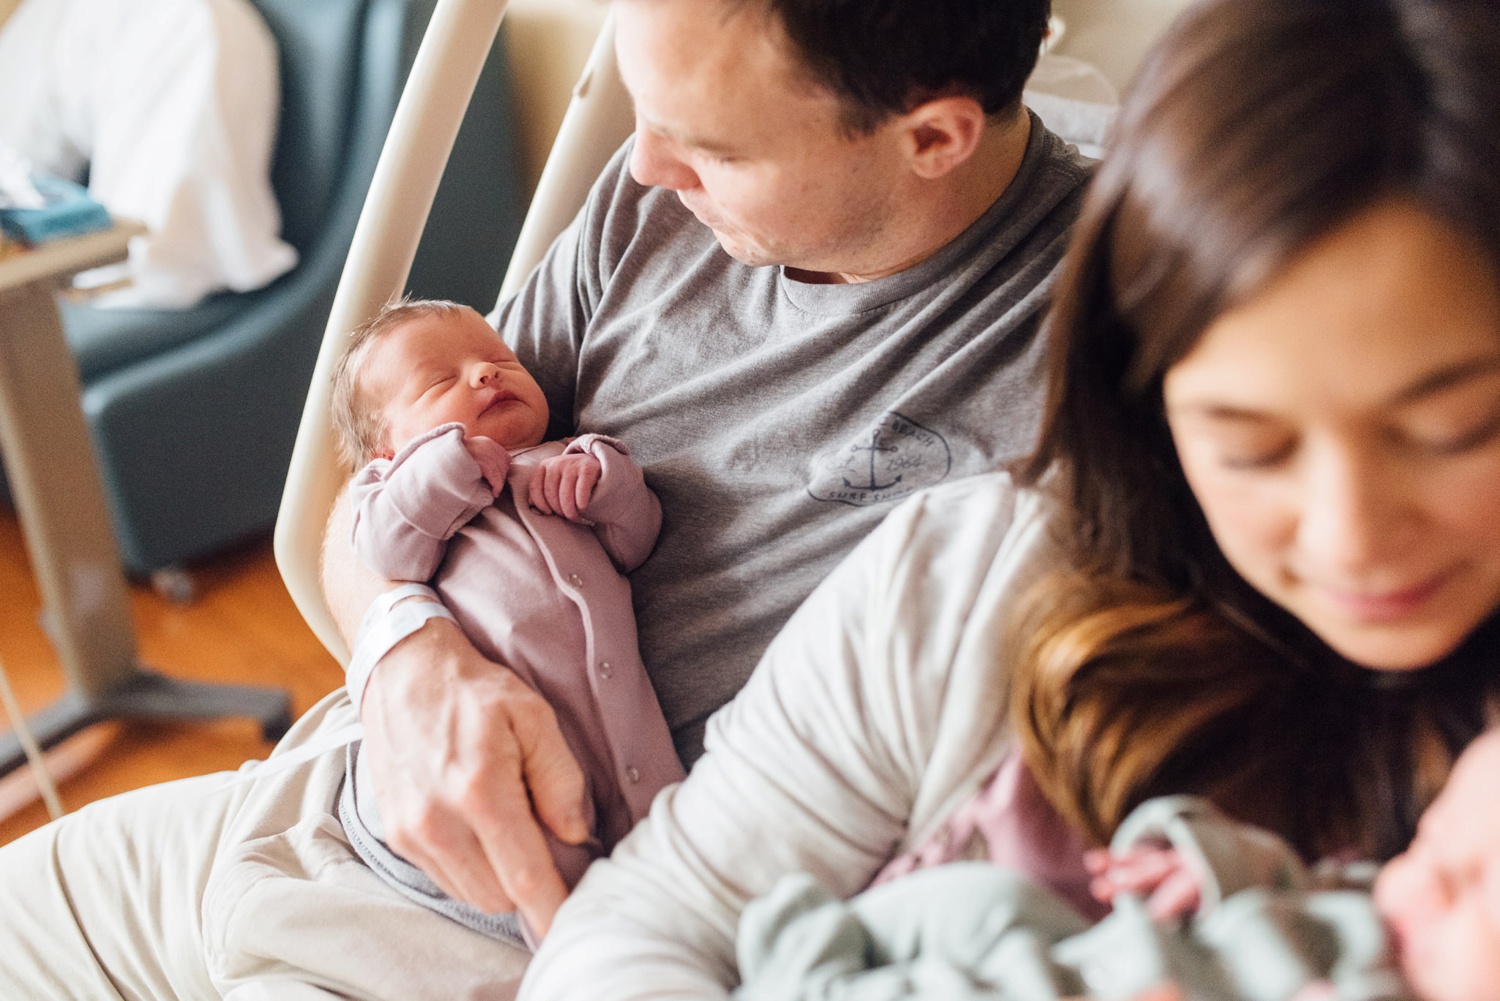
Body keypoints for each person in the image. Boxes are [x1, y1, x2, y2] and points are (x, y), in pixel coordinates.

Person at [0, 0, 1088, 994]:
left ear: (934, 137)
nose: (648, 166)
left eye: (710, 147)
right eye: (643, 114)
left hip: (510, 934)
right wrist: (400, 651)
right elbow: (384, 490)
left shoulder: (1107, 342)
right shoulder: (649, 204)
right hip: (323, 799)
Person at [517, 0, 1500, 995]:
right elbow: (643, 925)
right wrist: (404, 629)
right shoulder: (976, 581)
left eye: (1452, 432)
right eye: (1249, 446)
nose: (1351, 536)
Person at [329, 297, 684, 946]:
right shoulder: (396, 492)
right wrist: (443, 466)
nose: (485, 375)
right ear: (386, 447)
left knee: (660, 822)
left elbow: (637, 539)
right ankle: (576, 958)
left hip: (622, 706)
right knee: (547, 854)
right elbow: (387, 551)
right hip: (507, 729)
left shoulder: (569, 454)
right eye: (440, 382)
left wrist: (604, 484)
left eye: (499, 360)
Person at [733, 729, 1500, 1001]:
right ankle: (810, 955)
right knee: (988, 899)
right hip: (1078, 945)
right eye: (1431, 840)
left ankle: (804, 977)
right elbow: (1291, 876)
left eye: (1476, 887)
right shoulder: (1370, 904)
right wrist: (1208, 863)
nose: (1425, 876)